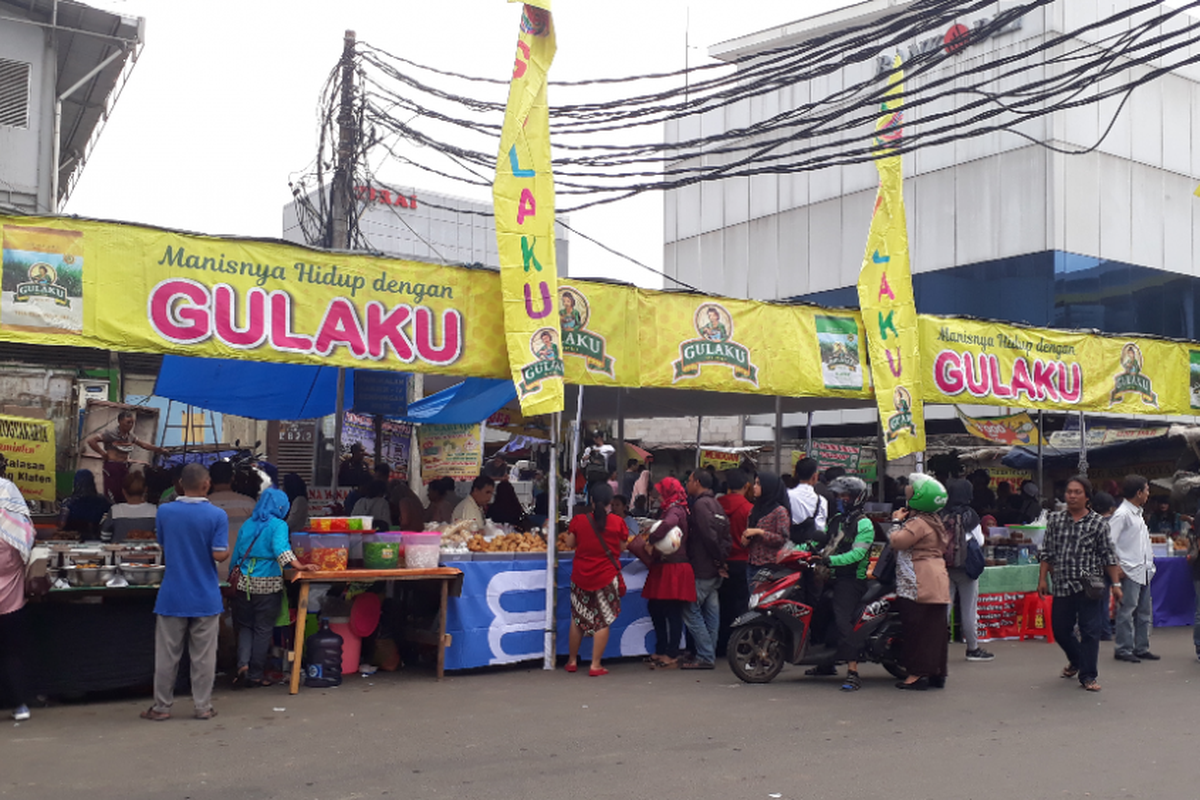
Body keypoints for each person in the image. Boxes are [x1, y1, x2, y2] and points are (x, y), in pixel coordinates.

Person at [141, 463, 230, 721]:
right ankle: (203, 707)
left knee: (167, 655)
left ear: (180, 484)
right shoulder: (216, 516)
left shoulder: (165, 512)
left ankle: (161, 707)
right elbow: (218, 553)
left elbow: (163, 543)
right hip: (205, 595)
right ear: (206, 484)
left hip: (172, 594)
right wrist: (224, 555)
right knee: (203, 657)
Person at [1037, 476, 1123, 693]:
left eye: (1077, 492)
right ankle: (1076, 660)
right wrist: (1042, 579)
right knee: (1060, 629)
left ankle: (1088, 675)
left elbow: (1108, 556)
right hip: (1063, 581)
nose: (1072, 496)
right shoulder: (1056, 520)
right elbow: (1047, 552)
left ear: (1086, 497)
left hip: (1089, 580)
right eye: (1069, 492)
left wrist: (1115, 583)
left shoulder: (1097, 523)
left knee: (1090, 630)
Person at [228, 488, 317, 688]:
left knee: (246, 627)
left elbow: (236, 556)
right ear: (281, 507)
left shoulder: (248, 523)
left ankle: (243, 666)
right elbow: (281, 549)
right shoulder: (279, 525)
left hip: (243, 583)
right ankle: (256, 674)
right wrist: (299, 566)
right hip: (267, 585)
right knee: (262, 630)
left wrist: (229, 580)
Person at [813, 476, 877, 691]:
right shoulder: (837, 520)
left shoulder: (865, 524)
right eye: (838, 496)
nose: (841, 499)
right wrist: (797, 549)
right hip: (830, 576)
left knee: (842, 620)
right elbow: (821, 541)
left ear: (857, 498)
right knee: (819, 614)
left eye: (845, 496)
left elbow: (857, 555)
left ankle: (852, 671)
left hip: (852, 581)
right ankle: (825, 663)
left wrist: (830, 560)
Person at [889, 474, 951, 691]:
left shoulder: (918, 523)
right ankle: (937, 673)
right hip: (936, 579)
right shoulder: (935, 520)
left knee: (916, 629)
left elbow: (897, 541)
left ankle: (916, 675)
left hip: (918, 581)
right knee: (935, 630)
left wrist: (896, 521)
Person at [564, 484, 627, 676]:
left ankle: (572, 661)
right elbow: (623, 547)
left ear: (590, 500)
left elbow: (570, 543)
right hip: (606, 576)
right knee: (602, 621)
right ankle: (595, 665)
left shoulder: (579, 520)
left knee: (578, 618)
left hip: (581, 575)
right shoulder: (617, 522)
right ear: (610, 502)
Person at [643, 477, 695, 669]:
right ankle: (662, 648)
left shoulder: (675, 509)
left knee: (671, 611)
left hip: (673, 566)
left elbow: (669, 524)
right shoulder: (676, 507)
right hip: (666, 565)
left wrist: (651, 539)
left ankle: (671, 652)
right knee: (656, 608)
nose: (658, 494)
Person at [680, 470, 729, 670]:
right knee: (711, 612)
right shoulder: (717, 504)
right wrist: (722, 560)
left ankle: (706, 655)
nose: (687, 484)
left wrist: (718, 559)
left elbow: (710, 537)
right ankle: (708, 653)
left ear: (697, 482)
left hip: (703, 567)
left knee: (690, 609)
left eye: (689, 480)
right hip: (715, 568)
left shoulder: (700, 505)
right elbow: (726, 534)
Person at [941, 479, 994, 662]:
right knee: (969, 609)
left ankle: (936, 648)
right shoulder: (970, 515)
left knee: (944, 609)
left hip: (945, 568)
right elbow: (979, 541)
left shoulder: (941, 514)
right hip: (966, 570)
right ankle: (972, 648)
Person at [0, 454, 35, 721]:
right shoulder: (9, 494)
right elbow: (27, 538)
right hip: (10, 592)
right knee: (12, 652)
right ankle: (20, 705)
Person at [1109, 475, 1158, 663]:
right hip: (1130, 569)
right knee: (1128, 610)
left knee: (1144, 611)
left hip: (1143, 568)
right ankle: (1123, 648)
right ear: (1138, 493)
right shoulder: (1122, 515)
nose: (1148, 493)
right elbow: (1109, 543)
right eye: (1146, 490)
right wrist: (1118, 566)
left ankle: (1141, 646)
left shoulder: (1136, 513)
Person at [86, 409, 168, 503]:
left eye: (132, 423)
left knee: (124, 492)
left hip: (124, 466)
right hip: (112, 467)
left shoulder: (130, 436)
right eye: (128, 422)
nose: (130, 425)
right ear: (120, 421)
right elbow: (91, 441)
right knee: (112, 492)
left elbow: (144, 445)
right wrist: (103, 453)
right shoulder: (110, 434)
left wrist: (160, 450)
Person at [716, 470, 753, 656]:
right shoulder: (748, 509)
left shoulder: (716, 506)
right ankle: (739, 643)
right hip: (742, 561)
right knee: (741, 605)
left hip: (721, 562)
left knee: (721, 604)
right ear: (746, 486)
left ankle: (721, 644)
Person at [207, 460, 256, 581]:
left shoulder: (202, 505)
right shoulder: (249, 504)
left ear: (210, 480)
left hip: (209, 571)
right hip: (242, 571)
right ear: (233, 478)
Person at [742, 471, 791, 584]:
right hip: (752, 563)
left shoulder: (780, 511)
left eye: (758, 484)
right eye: (755, 483)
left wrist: (760, 532)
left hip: (769, 566)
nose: (754, 487)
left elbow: (782, 539)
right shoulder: (755, 509)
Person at [100, 471, 157, 544]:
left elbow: (105, 537)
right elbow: (159, 537)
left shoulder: (115, 510)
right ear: (145, 489)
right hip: (149, 553)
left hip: (120, 553)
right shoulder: (154, 510)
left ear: (123, 491)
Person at [1090, 491, 1118, 641]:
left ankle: (1103, 630)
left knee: (1100, 599)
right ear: (1112, 508)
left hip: (1098, 565)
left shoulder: (1092, 523)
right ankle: (1109, 629)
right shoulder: (1117, 522)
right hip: (1115, 564)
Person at [58, 469, 111, 540]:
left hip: (73, 540)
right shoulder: (103, 501)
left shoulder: (68, 502)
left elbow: (61, 524)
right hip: (96, 539)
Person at [788, 458, 828, 544]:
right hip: (810, 548)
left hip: (788, 547)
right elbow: (820, 528)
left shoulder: (787, 495)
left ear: (796, 474)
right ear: (815, 476)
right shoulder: (821, 501)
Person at [581, 432, 615, 496]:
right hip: (592, 476)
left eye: (597, 437)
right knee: (591, 493)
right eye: (594, 437)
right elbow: (583, 465)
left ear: (601, 438)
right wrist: (585, 458)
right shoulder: (589, 449)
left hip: (602, 475)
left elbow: (612, 451)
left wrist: (597, 450)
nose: (595, 439)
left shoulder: (607, 448)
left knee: (601, 494)